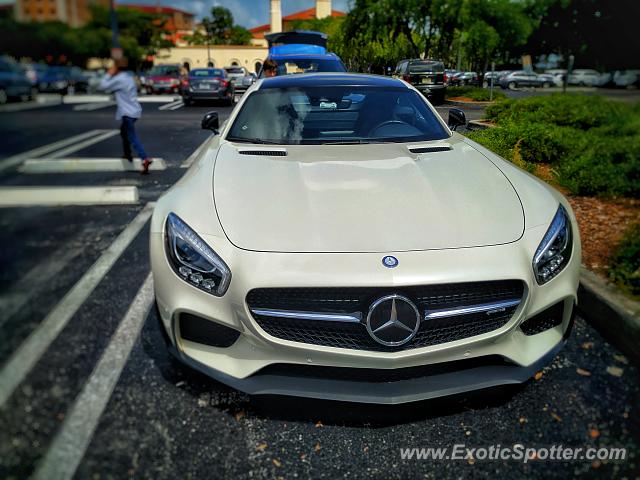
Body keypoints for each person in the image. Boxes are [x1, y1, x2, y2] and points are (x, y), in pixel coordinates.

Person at [99, 59, 152, 174]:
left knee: (131, 136)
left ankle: (144, 158)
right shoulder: (129, 78)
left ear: (116, 69)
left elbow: (103, 86)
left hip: (127, 112)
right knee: (123, 131)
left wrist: (109, 74)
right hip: (134, 111)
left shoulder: (119, 79)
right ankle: (127, 154)